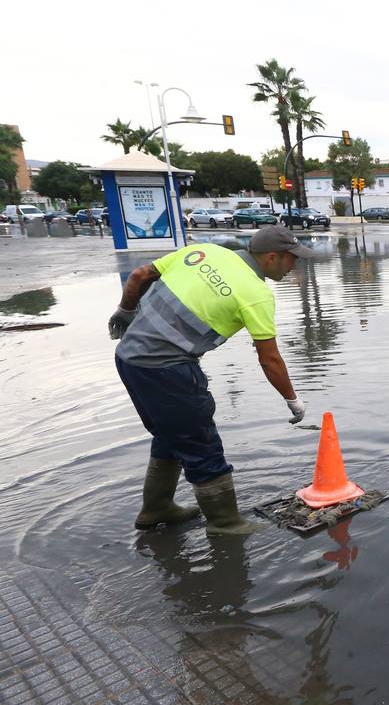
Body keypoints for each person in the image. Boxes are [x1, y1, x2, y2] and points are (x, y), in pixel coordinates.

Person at [108, 226, 315, 535]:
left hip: (129, 359)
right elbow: (269, 358)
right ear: (272, 257)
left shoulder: (203, 252)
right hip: (167, 370)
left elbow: (139, 275)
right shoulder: (256, 294)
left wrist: (124, 312)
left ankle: (157, 508)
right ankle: (225, 523)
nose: (293, 267)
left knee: (171, 434)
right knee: (201, 443)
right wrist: (292, 398)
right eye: (291, 260)